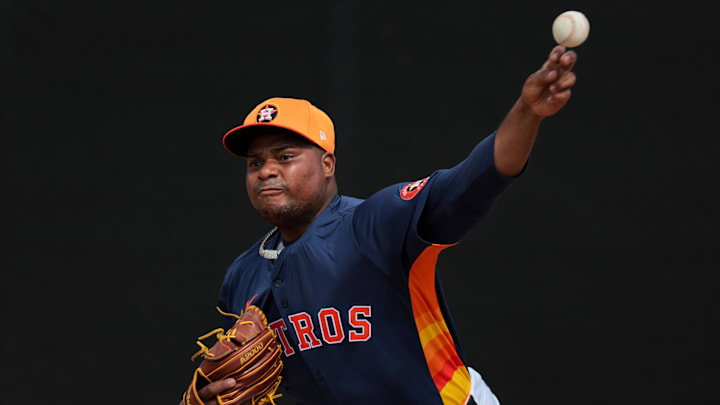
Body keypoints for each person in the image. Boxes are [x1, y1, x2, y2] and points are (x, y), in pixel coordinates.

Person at [185, 45, 578, 405]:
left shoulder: (376, 223)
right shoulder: (241, 279)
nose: (266, 171)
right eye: (255, 163)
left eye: (284, 156)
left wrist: (527, 112)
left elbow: (476, 179)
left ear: (327, 164)